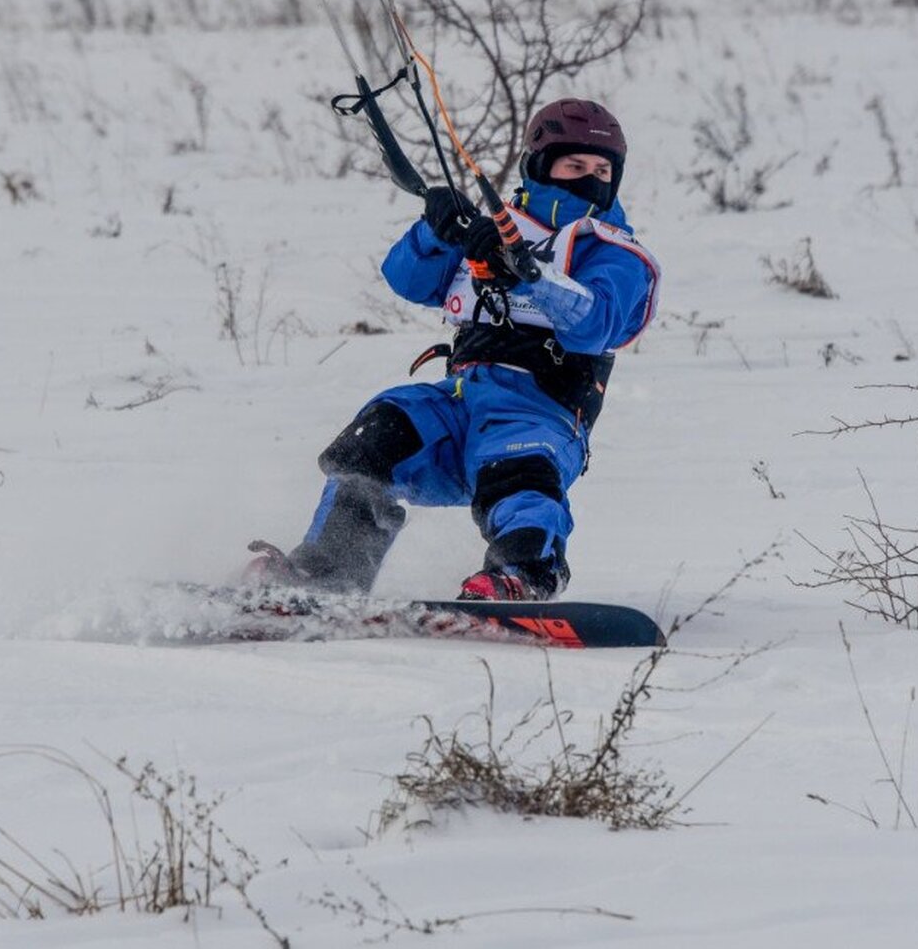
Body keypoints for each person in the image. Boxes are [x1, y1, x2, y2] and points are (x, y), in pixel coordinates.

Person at [249, 97, 660, 601]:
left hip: (539, 416)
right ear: (538, 166)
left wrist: (526, 274)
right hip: (459, 405)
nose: (590, 181)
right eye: (574, 167)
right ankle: (329, 572)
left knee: (519, 473)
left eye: (602, 171)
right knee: (377, 432)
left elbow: (596, 322)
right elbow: (407, 279)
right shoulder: (495, 227)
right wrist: (438, 231)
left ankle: (523, 575)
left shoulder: (617, 253)